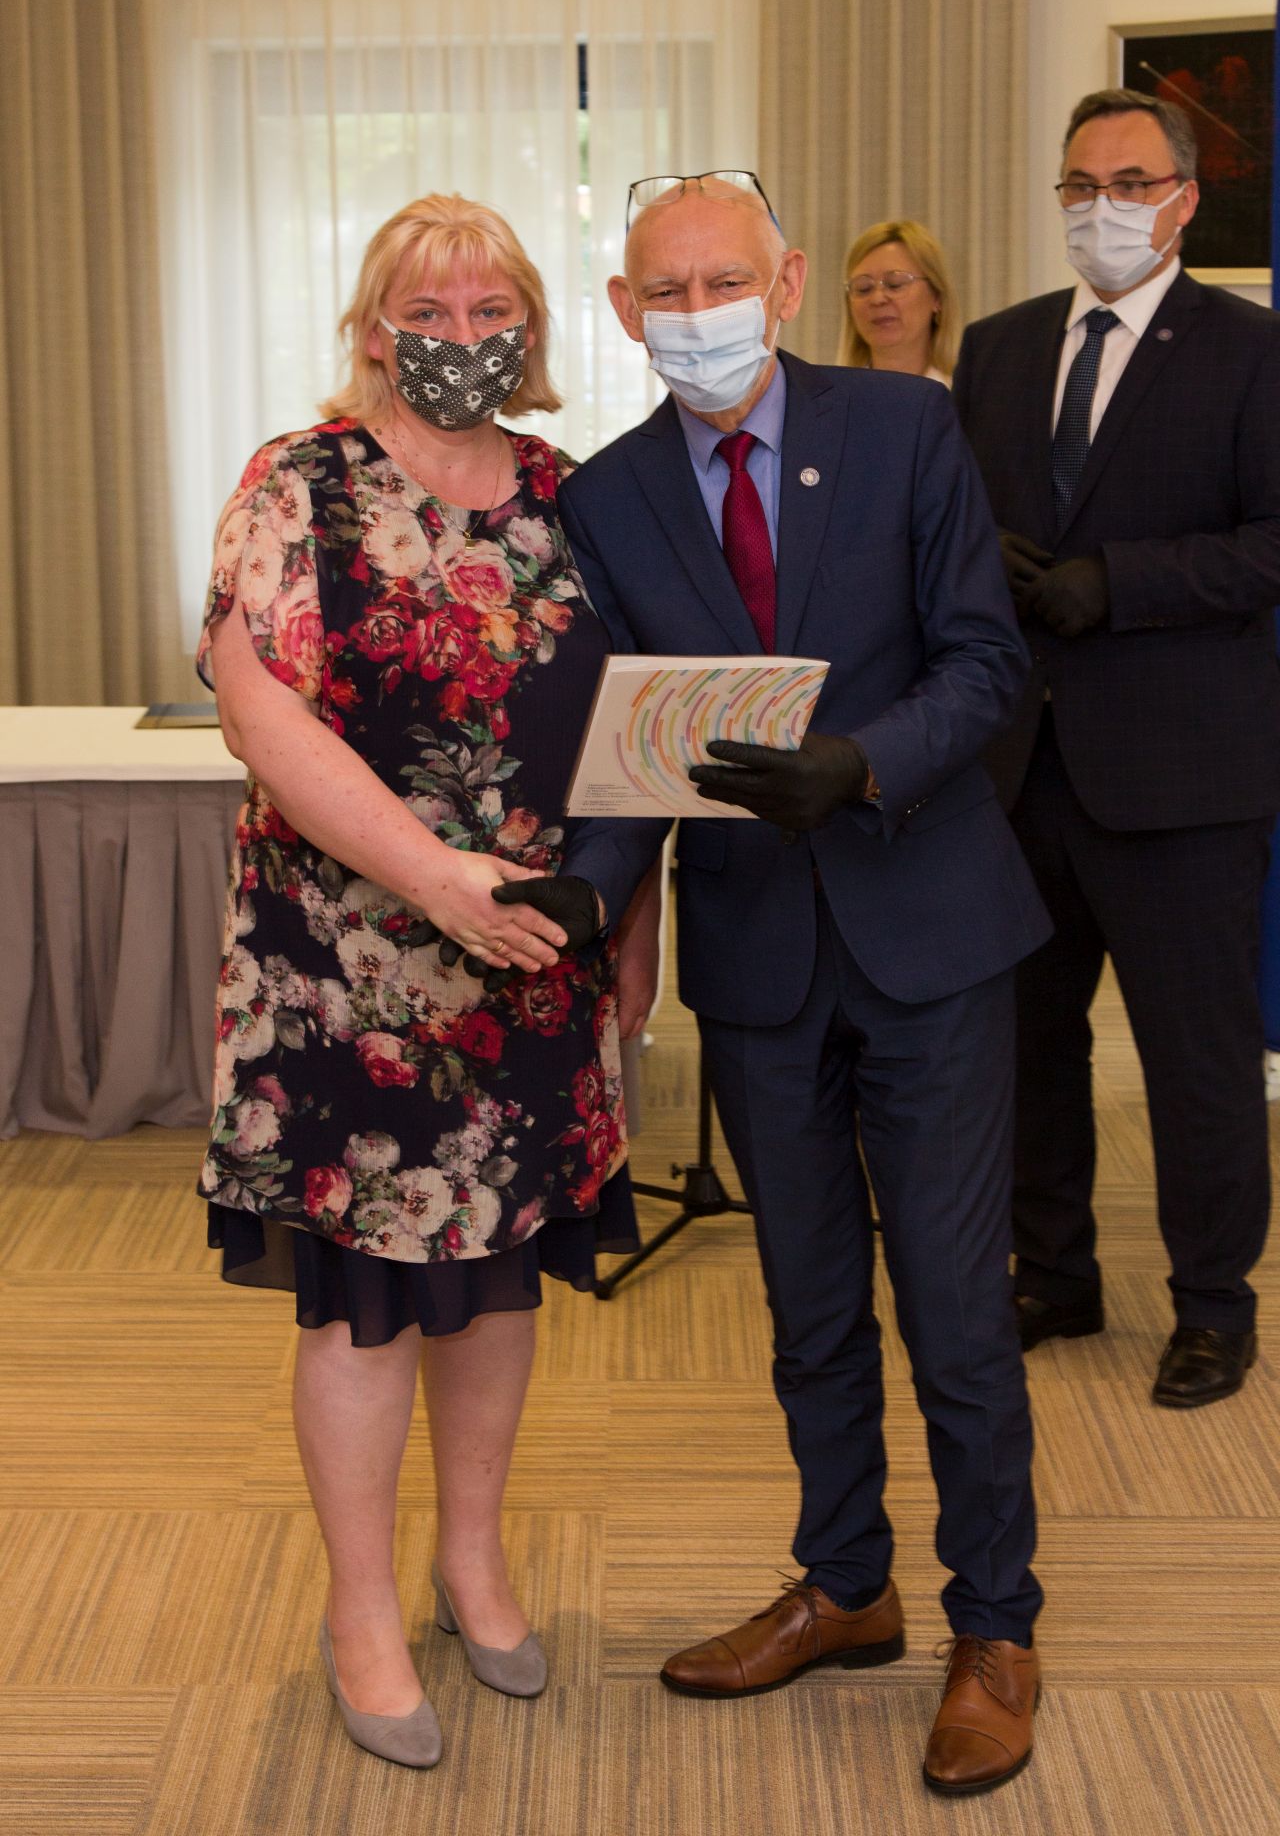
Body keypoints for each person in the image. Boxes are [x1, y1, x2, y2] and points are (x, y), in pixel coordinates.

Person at [558, 170, 1053, 1796]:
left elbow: (986, 658)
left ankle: (996, 1625)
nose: (697, 312)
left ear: (781, 287)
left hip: (930, 934)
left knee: (958, 1310)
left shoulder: (905, 428)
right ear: (627, 312)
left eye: (726, 280)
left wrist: (864, 762)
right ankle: (847, 1586)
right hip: (760, 956)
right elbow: (630, 742)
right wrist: (583, 895)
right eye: (665, 290)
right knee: (808, 1306)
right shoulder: (610, 497)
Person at [199, 193, 643, 1767]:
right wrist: (438, 878)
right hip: (349, 974)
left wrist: (628, 932)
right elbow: (260, 714)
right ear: (376, 328)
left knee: (500, 1278)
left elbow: (628, 728)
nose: (462, 338)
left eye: (490, 311)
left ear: (532, 325)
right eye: (429, 312)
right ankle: (361, 1609)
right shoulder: (301, 483)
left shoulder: (577, 498)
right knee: (368, 1310)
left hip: (531, 968)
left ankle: (472, 1558)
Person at [952, 89, 1280, 1408]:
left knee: (1196, 1061)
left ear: (1185, 199)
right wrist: (978, 557)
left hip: (1183, 776)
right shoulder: (997, 348)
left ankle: (1212, 1304)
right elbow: (949, 524)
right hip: (1016, 772)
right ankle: (1053, 1273)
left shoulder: (1252, 350)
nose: (1103, 209)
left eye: (1131, 184)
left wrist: (1120, 581)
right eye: (1080, 186)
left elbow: (1273, 543)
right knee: (1029, 1050)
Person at [837, 217, 958, 383]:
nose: (877, 299)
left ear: (937, 296)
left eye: (895, 284)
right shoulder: (830, 396)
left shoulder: (963, 395)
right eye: (863, 288)